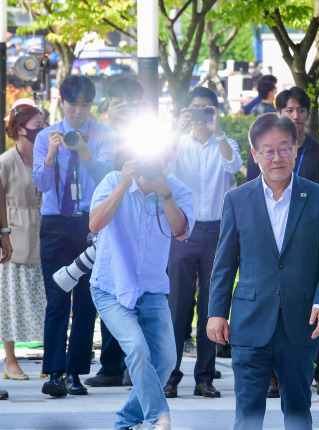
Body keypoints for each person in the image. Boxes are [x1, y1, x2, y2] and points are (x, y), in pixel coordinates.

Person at [206, 114, 319, 430]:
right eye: (267, 150)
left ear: (296, 150)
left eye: (284, 148)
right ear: (255, 155)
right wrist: (216, 312)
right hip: (250, 320)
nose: (276, 157)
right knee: (248, 412)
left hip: (301, 319)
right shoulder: (237, 199)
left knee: (297, 410)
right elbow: (224, 263)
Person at [89, 154, 194, 430]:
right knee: (136, 349)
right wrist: (123, 186)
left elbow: (181, 231)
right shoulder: (113, 181)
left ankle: (125, 421)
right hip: (111, 287)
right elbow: (94, 224)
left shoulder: (177, 189)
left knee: (167, 360)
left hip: (152, 289)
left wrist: (165, 194)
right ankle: (160, 418)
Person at [33, 75, 116, 397]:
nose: (79, 111)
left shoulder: (104, 134)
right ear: (62, 102)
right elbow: (40, 184)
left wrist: (82, 148)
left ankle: (76, 373)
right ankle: (54, 372)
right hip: (55, 222)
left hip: (91, 224)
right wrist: (52, 154)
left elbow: (105, 175)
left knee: (85, 300)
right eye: (73, 104)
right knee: (56, 298)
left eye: (85, 105)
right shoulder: (45, 136)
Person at [163, 86, 243, 399]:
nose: (200, 115)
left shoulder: (226, 143)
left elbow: (233, 166)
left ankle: (205, 377)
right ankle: (170, 375)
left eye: (207, 109)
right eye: (194, 108)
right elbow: (159, 168)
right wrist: (174, 132)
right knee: (177, 306)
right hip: (184, 230)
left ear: (215, 111)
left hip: (219, 231)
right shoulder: (178, 144)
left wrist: (218, 130)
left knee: (213, 305)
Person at [86, 77, 146, 389]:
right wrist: (110, 127)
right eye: (117, 101)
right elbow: (98, 173)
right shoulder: (102, 133)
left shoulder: (151, 130)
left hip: (144, 219)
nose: (124, 106)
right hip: (110, 215)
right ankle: (110, 366)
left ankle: (136, 365)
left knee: (143, 295)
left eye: (129, 101)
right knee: (111, 287)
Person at [1, 105, 43, 381]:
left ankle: (50, 358)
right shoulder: (5, 161)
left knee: (50, 299)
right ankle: (10, 360)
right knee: (10, 299)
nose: (42, 130)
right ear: (20, 129)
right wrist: (3, 233)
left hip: (45, 232)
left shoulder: (46, 157)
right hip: (15, 233)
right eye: (37, 125)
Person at [246, 87, 319, 184]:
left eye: (301, 110)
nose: (296, 116)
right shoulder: (262, 152)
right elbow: (251, 190)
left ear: (308, 114)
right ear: (279, 113)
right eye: (289, 110)